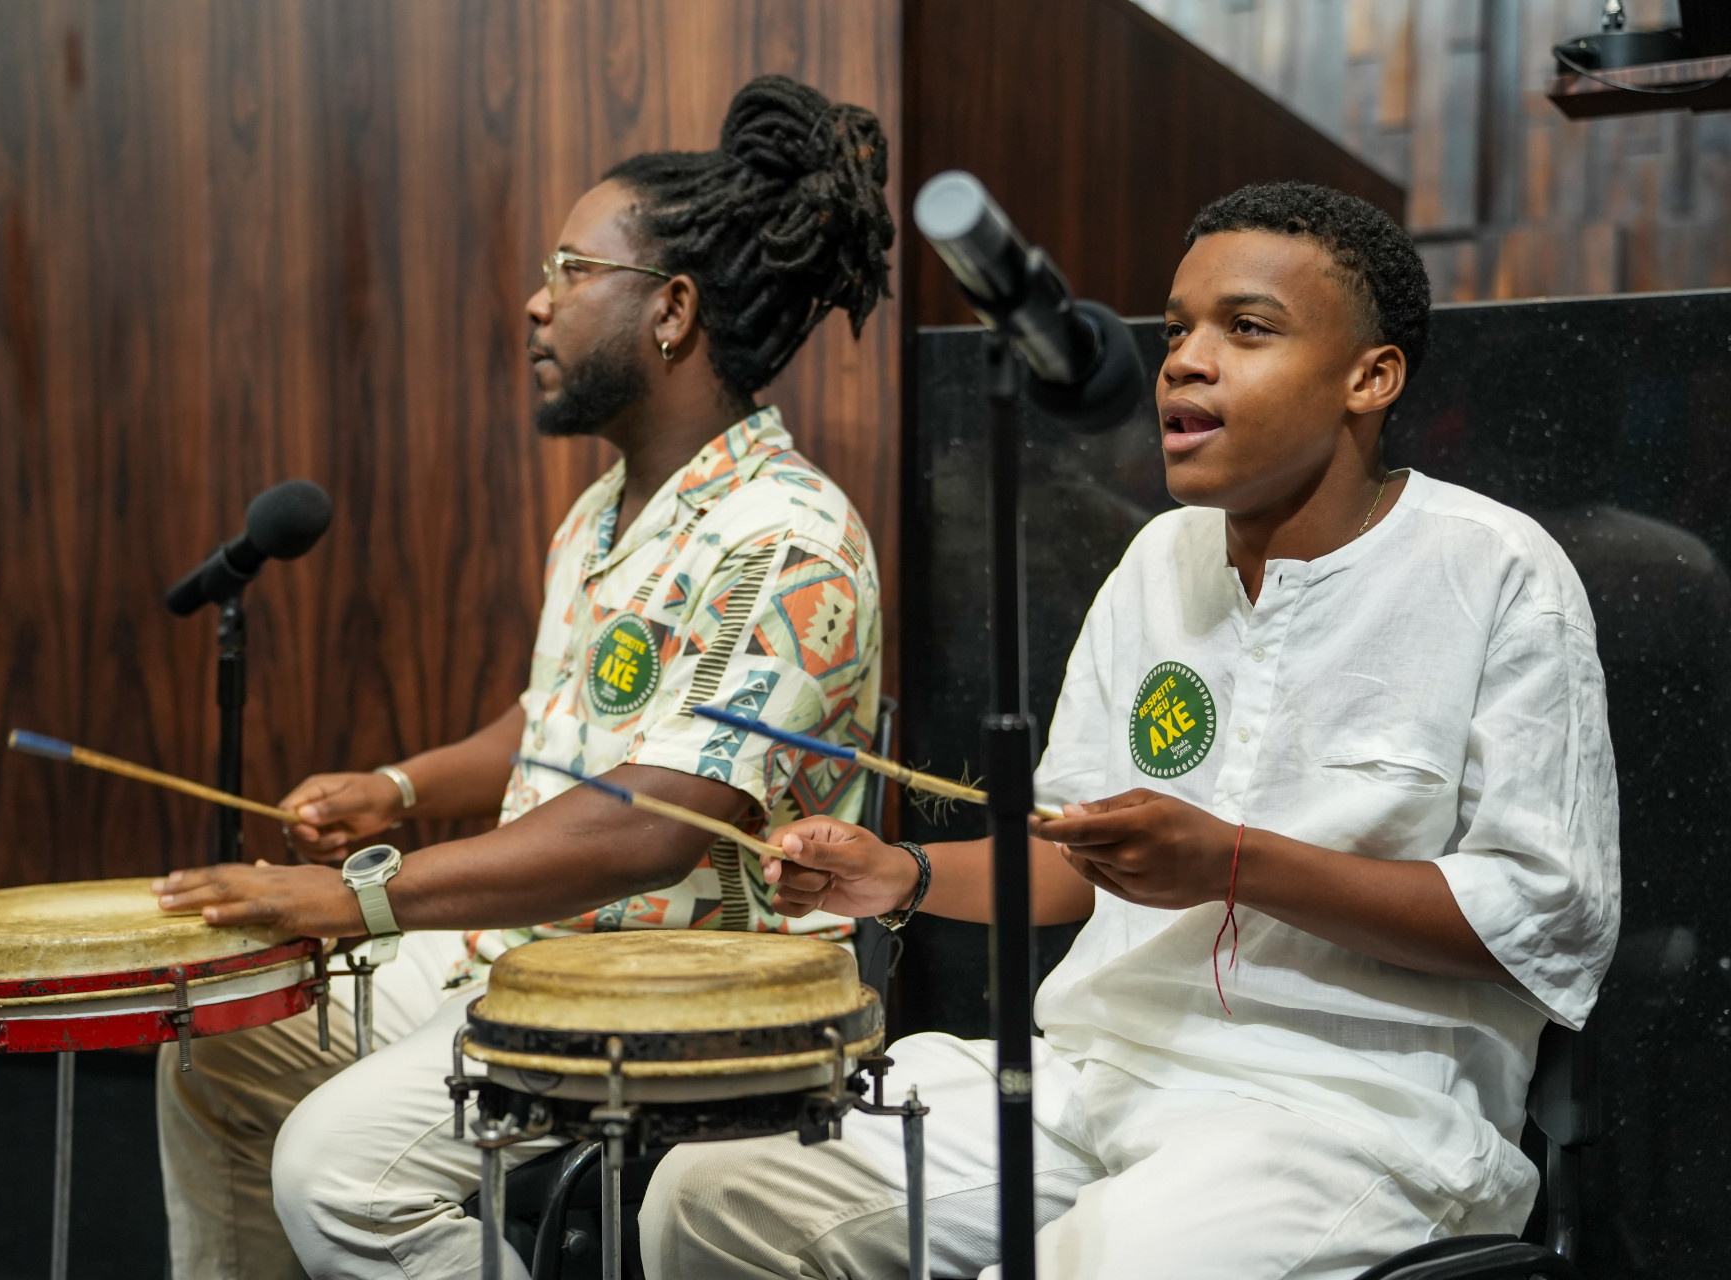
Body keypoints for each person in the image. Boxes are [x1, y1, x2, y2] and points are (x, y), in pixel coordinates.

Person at [641, 182, 1620, 1279]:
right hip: (1098, 1076)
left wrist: (1234, 862)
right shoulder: (1159, 560)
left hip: (1348, 1116)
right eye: (1178, 328)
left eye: (1246, 329)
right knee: (714, 1190)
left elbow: (1547, 918)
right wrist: (898, 869)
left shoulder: (1497, 570)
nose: (1184, 360)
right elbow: (1075, 864)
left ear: (1370, 377)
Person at [150, 74, 894, 1280]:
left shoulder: (786, 536)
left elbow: (654, 819)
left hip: (677, 1000)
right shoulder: (607, 510)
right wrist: (399, 784)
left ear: (673, 311)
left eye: (570, 270)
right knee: (215, 1050)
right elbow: (558, 723)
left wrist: (364, 895)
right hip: (519, 955)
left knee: (335, 1170)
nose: (534, 304)